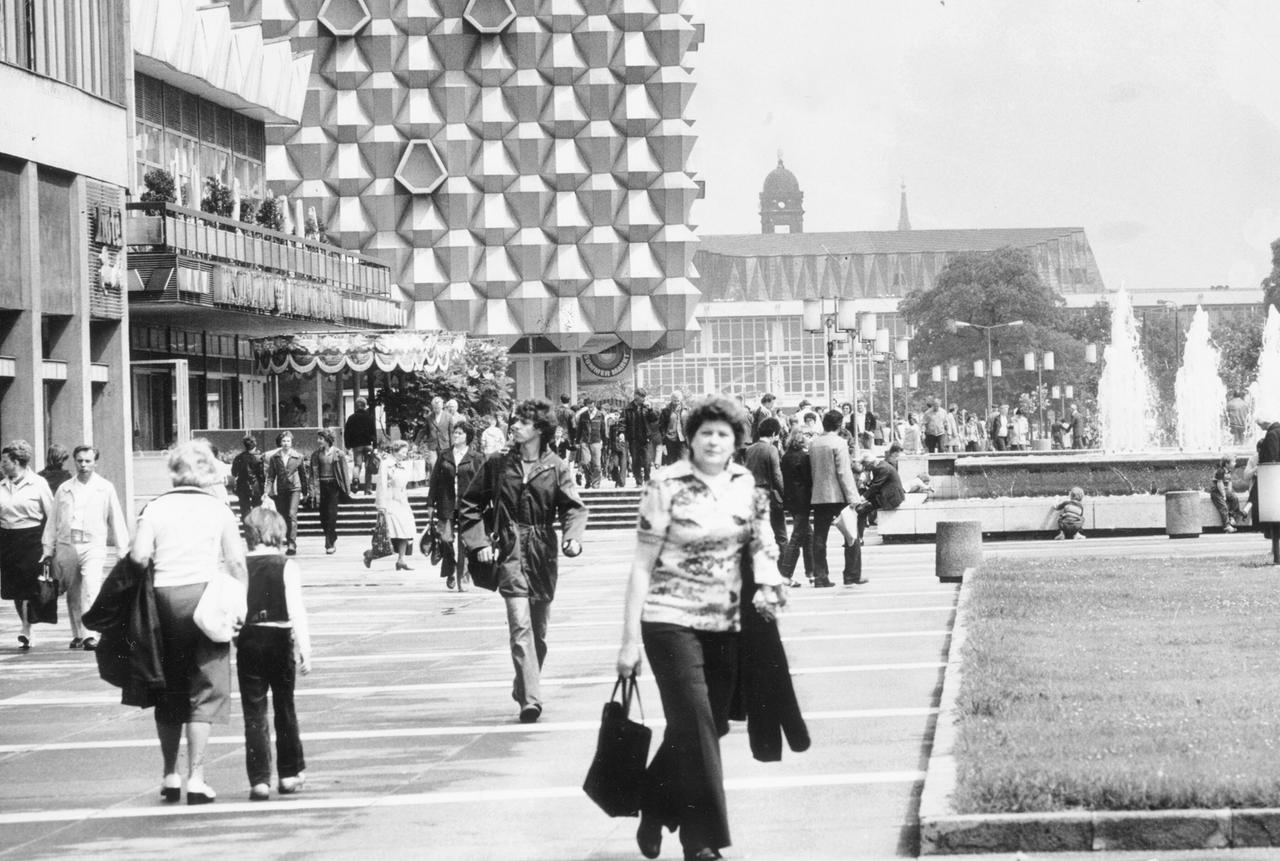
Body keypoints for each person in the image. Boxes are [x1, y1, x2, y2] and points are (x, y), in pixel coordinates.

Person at [616, 394, 787, 861]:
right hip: (668, 621)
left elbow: (762, 542)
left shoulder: (746, 483)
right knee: (693, 720)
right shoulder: (664, 484)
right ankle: (701, 840)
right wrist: (629, 640)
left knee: (707, 727)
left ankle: (654, 803)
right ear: (689, 438)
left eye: (723, 434)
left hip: (726, 623)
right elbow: (641, 565)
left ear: (736, 440)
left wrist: (769, 583)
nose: (714, 441)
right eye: (705, 433)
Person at [129, 438, 247, 805]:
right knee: (204, 690)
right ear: (208, 471)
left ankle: (170, 773)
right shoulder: (218, 510)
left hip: (163, 600)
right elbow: (237, 562)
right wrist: (239, 604)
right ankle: (197, 777)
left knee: (168, 690)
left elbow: (139, 555)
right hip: (205, 599)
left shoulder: (155, 508)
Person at [458, 398, 588, 724]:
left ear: (540, 430)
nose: (514, 426)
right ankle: (531, 699)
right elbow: (470, 505)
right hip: (509, 549)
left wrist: (573, 537)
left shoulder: (557, 466)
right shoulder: (497, 464)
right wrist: (479, 543)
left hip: (543, 551)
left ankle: (523, 685)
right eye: (514, 421)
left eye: (522, 422)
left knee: (539, 633)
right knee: (520, 627)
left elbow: (572, 507)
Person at [238, 506, 311, 802]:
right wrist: (305, 648)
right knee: (285, 706)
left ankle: (259, 779)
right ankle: (289, 773)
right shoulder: (286, 565)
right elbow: (297, 610)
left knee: (254, 712)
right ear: (277, 531)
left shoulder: (239, 565)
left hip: (250, 637)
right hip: (280, 636)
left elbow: (234, 607)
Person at [40, 445, 127, 651]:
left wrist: (122, 550)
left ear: (95, 462)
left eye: (88, 461)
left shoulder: (105, 487)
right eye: (80, 461)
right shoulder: (65, 488)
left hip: (93, 545)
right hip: (67, 545)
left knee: (91, 586)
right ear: (75, 461)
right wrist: (47, 549)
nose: (83, 465)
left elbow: (116, 518)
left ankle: (90, 634)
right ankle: (77, 634)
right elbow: (53, 520)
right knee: (73, 591)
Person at [0, 440, 55, 651]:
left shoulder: (38, 483)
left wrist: (51, 545)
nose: (2, 465)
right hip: (7, 539)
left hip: (31, 539)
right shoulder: (2, 485)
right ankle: (26, 626)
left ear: (16, 461)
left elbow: (51, 515)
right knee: (14, 589)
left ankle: (26, 628)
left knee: (29, 587)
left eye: (5, 461)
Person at [428, 422, 485, 590]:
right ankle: (450, 568)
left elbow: (482, 482)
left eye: (460, 433)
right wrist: (430, 503)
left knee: (465, 543)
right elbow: (434, 481)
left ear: (467, 436)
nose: (456, 435)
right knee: (445, 539)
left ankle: (463, 579)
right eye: (455, 432)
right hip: (446, 503)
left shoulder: (476, 457)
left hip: (469, 505)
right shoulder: (444, 455)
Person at [808, 410, 862, 588]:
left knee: (819, 538)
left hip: (819, 495)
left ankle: (820, 577)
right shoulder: (839, 443)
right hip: (838, 495)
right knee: (851, 535)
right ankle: (851, 575)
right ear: (839, 425)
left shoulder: (814, 443)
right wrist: (853, 497)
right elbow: (844, 472)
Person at [854, 444, 906, 583]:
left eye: (866, 467)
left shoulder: (881, 468)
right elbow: (875, 485)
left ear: (869, 463)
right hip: (887, 494)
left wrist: (862, 498)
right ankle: (859, 538)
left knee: (861, 510)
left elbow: (876, 486)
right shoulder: (880, 465)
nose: (866, 470)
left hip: (891, 498)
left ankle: (859, 539)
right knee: (861, 510)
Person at [365, 440, 417, 571]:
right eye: (403, 452)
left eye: (406, 452)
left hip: (402, 501)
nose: (405, 455)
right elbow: (381, 484)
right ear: (395, 451)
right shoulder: (386, 464)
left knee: (405, 530)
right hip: (390, 502)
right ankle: (370, 554)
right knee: (388, 534)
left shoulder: (402, 464)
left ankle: (401, 560)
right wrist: (381, 504)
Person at [744, 417, 786, 550]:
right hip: (769, 495)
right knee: (781, 536)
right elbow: (777, 475)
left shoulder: (749, 449)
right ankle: (783, 569)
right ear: (773, 433)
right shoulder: (771, 449)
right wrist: (784, 494)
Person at [308, 429, 352, 555]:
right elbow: (312, 474)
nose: (318, 441)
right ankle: (332, 536)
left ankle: (329, 543)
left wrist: (347, 490)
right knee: (323, 516)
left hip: (334, 486)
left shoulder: (339, 454)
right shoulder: (316, 455)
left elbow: (344, 472)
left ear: (327, 439)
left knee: (332, 515)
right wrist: (311, 490)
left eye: (320, 439)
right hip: (320, 486)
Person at [266, 432, 308, 556]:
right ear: (280, 442)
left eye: (288, 441)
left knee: (291, 514)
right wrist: (266, 492)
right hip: (282, 489)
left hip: (295, 488)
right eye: (284, 441)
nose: (286, 443)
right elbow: (271, 477)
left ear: (291, 442)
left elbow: (303, 475)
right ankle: (288, 538)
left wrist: (305, 492)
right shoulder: (275, 457)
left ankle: (291, 543)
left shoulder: (298, 457)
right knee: (283, 515)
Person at [780, 430, 813, 587]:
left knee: (808, 535)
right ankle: (786, 574)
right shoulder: (803, 457)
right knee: (797, 537)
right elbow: (808, 480)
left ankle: (812, 572)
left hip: (791, 500)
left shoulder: (785, 457)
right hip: (802, 501)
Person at [1250, 416, 1280, 540]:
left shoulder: (1272, 433)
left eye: (1259, 424)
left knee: (1257, 497)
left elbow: (1272, 456)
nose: (1259, 427)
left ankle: (1267, 530)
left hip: (1271, 474)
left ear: (1265, 422)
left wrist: (1265, 468)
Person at [622, 388, 658, 487]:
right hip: (633, 439)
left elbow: (654, 419)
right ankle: (638, 482)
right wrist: (622, 435)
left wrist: (650, 409)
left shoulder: (646, 407)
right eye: (641, 396)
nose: (642, 398)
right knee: (636, 461)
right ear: (635, 396)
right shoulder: (628, 408)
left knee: (647, 461)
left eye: (643, 396)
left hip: (646, 439)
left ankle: (647, 478)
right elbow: (623, 423)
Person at [343, 397, 378, 494]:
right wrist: (375, 446)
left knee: (357, 465)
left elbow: (347, 433)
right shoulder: (369, 417)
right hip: (368, 444)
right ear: (365, 406)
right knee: (368, 467)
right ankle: (368, 489)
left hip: (356, 446)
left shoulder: (351, 418)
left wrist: (348, 445)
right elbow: (373, 433)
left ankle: (355, 480)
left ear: (356, 406)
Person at [230, 435, 266, 520]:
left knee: (245, 509)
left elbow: (234, 472)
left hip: (242, 486)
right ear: (255, 443)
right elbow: (262, 475)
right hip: (256, 486)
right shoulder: (260, 457)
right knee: (256, 509)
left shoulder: (239, 457)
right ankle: (255, 530)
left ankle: (248, 531)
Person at [576, 397, 607, 488]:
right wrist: (577, 441)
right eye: (588, 404)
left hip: (596, 441)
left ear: (594, 403)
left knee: (597, 464)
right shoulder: (583, 415)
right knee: (585, 462)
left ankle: (596, 483)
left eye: (591, 403)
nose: (590, 406)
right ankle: (588, 479)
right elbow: (579, 430)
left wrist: (605, 442)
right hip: (585, 441)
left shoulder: (600, 415)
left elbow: (603, 429)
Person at [418, 396, 450, 483]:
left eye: (438, 407)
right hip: (433, 445)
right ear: (432, 407)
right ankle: (434, 484)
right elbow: (424, 430)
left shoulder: (448, 417)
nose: (436, 409)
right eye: (435, 408)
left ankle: (445, 484)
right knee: (433, 464)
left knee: (445, 465)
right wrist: (416, 443)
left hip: (445, 445)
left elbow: (451, 433)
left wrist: (453, 446)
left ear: (442, 406)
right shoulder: (429, 417)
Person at [1210, 454, 1243, 533]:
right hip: (1217, 492)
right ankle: (1226, 526)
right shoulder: (1221, 471)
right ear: (1227, 464)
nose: (1235, 463)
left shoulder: (1228, 471)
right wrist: (1224, 495)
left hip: (1224, 491)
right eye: (1233, 462)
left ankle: (1232, 516)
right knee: (1223, 507)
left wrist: (1229, 493)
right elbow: (1219, 483)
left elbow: (1229, 483)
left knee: (1234, 498)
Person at [659, 391, 688, 465]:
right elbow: (661, 425)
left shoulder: (686, 410)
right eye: (674, 400)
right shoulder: (666, 411)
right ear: (671, 400)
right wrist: (664, 437)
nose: (676, 402)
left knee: (683, 460)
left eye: (678, 400)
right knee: (671, 460)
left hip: (682, 438)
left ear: (680, 400)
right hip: (670, 438)